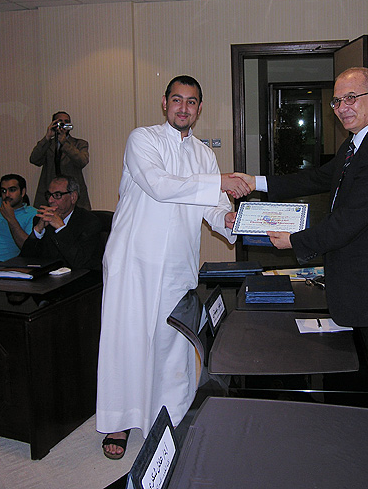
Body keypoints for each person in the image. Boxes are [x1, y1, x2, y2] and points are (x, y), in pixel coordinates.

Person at [233, 67, 368, 419]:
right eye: (337, 101)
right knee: (365, 374)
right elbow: (317, 177)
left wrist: (295, 240)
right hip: (366, 282)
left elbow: (348, 222)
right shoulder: (359, 143)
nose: (342, 107)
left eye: (351, 98)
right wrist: (256, 182)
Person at [95, 75, 251, 460]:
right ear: (164, 103)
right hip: (133, 261)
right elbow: (161, 185)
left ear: (200, 108)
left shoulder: (204, 154)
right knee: (127, 341)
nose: (184, 108)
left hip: (177, 265)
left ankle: (166, 419)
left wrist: (228, 219)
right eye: (177, 100)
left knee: (170, 345)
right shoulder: (142, 139)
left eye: (191, 101)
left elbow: (212, 205)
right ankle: (118, 420)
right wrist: (220, 182)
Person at [20, 175, 103, 270]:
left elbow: (80, 262)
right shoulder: (41, 219)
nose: (50, 200)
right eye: (49, 195)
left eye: (57, 195)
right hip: (46, 276)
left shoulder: (90, 222)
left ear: (73, 197)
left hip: (77, 276)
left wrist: (61, 228)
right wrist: (38, 230)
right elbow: (24, 258)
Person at [30, 111, 91, 209]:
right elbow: (34, 160)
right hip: (49, 193)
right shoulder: (47, 144)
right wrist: (47, 137)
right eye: (60, 122)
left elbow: (82, 161)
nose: (63, 125)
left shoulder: (79, 144)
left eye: (66, 122)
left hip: (72, 193)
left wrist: (64, 142)